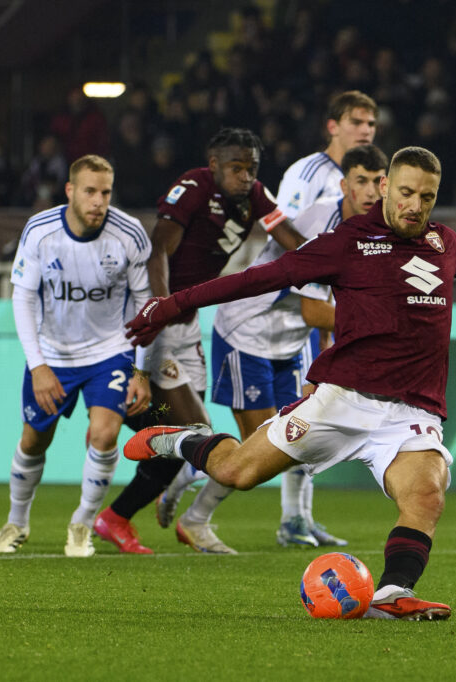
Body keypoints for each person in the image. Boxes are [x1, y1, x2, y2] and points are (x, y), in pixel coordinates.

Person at [122, 147, 456, 619]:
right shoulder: (347, 241)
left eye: (426, 197)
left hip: (411, 410)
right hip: (342, 400)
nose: (415, 205)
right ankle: (180, 439)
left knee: (426, 494)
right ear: (385, 186)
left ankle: (391, 594)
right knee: (236, 473)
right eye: (406, 192)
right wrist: (171, 304)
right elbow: (261, 278)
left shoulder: (443, 244)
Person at [162, 144, 388, 549]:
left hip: (291, 342)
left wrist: (322, 366)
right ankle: (193, 490)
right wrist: (381, 323)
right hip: (249, 333)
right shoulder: (323, 225)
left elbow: (325, 311)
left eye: (377, 181)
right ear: (344, 184)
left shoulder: (374, 232)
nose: (370, 190)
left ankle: (294, 522)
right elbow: (314, 310)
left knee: (299, 439)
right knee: (262, 446)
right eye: (361, 181)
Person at [92, 128, 304, 554]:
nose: (246, 177)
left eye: (252, 168)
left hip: (188, 325)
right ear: (213, 166)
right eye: (236, 168)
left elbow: (293, 241)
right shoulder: (192, 188)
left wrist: (332, 261)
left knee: (190, 435)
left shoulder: (255, 195)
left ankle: (117, 517)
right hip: (159, 323)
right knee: (192, 434)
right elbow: (159, 251)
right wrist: (160, 308)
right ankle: (109, 517)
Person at [0, 155, 152, 557]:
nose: (99, 201)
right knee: (33, 441)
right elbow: (23, 298)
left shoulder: (129, 234)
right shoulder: (41, 232)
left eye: (106, 192)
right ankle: (17, 521)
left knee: (105, 433)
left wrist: (140, 370)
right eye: (90, 192)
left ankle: (81, 523)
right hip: (53, 354)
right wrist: (38, 364)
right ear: (71, 191)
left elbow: (146, 304)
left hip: (109, 351)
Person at [266, 89, 378, 546]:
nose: (365, 130)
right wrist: (315, 271)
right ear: (332, 126)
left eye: (371, 123)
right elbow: (282, 229)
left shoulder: (367, 179)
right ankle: (187, 489)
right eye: (356, 121)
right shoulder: (308, 172)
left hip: (314, 306)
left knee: (309, 408)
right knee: (276, 422)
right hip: (281, 305)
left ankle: (299, 517)